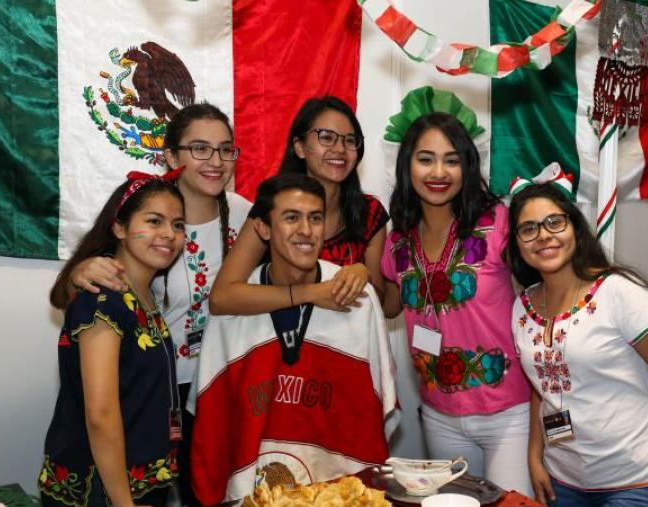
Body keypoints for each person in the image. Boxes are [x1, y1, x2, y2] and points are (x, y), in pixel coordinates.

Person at [54, 103, 252, 507]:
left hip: (220, 381)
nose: (214, 161)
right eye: (199, 148)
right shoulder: (145, 212)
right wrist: (80, 272)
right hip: (155, 387)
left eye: (225, 149)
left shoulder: (247, 214)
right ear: (171, 157)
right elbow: (72, 300)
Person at [189, 173, 399, 505]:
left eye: (315, 218)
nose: (305, 230)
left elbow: (375, 411)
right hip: (253, 492)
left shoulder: (357, 297)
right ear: (263, 228)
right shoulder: (233, 307)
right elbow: (214, 421)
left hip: (338, 492)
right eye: (291, 218)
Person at [506, 180, 648, 507]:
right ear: (517, 243)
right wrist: (535, 455)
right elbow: (540, 385)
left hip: (640, 476)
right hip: (566, 479)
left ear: (575, 227)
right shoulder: (523, 307)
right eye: (528, 229)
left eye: (554, 222)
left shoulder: (618, 293)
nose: (543, 235)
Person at [380, 112, 532, 495]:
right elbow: (389, 306)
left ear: (467, 165)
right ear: (407, 165)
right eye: (426, 158)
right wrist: (353, 270)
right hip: (440, 415)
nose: (439, 171)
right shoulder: (398, 238)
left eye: (452, 159)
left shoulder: (498, 221)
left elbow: (543, 284)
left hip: (509, 412)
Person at [40, 171, 187, 507]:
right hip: (105, 492)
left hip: (140, 485)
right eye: (154, 221)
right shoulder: (103, 298)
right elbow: (101, 413)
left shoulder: (145, 295)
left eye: (178, 225)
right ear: (119, 228)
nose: (169, 234)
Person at [208, 96, 388, 316]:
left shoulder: (369, 212)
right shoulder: (273, 205)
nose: (340, 148)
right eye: (327, 137)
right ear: (300, 147)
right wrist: (310, 293)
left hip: (344, 343)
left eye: (350, 140)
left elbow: (382, 307)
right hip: (278, 339)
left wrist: (363, 275)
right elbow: (221, 298)